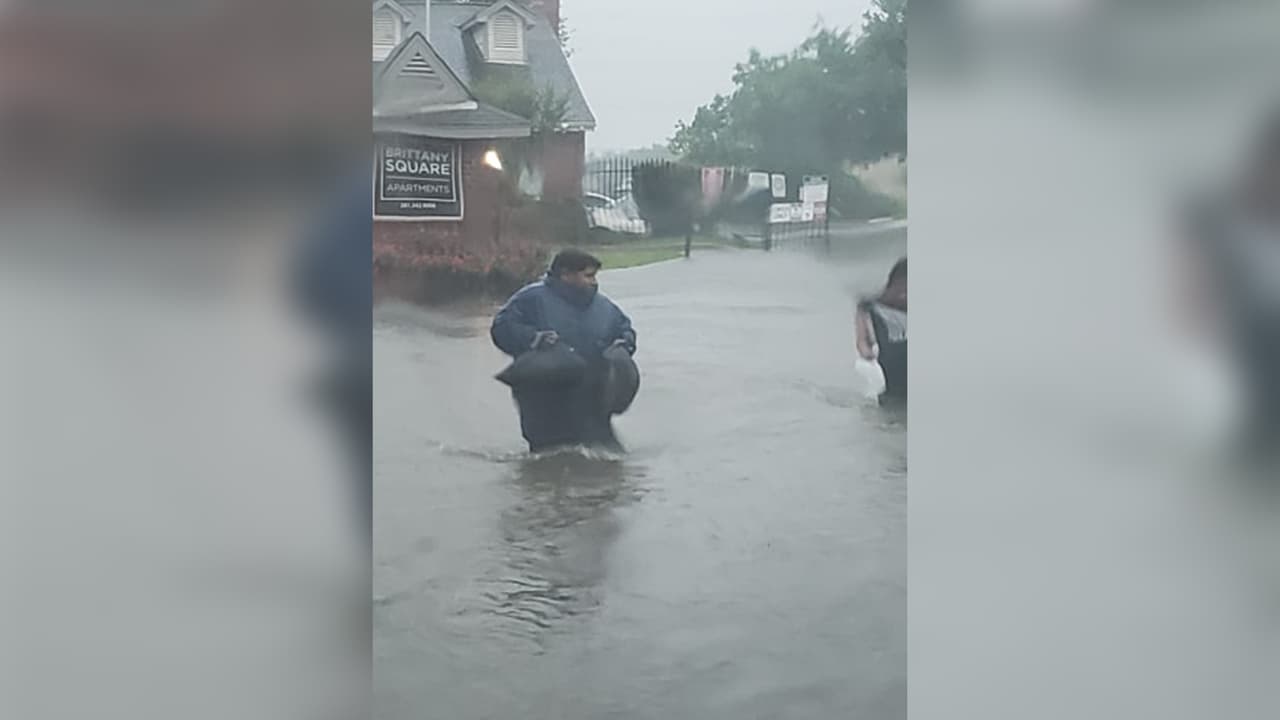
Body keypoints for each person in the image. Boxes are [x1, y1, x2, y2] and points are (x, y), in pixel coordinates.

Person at [491, 249, 638, 453]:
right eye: (588, 276)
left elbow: (624, 330)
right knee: (548, 457)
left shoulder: (605, 308)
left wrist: (623, 344)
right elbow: (502, 328)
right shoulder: (531, 299)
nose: (594, 282)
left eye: (594, 276)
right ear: (566, 274)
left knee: (605, 458)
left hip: (592, 396)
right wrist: (534, 338)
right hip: (543, 395)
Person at [856, 257, 908, 403]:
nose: (905, 293)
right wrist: (867, 354)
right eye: (903, 286)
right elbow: (861, 341)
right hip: (890, 369)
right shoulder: (870, 306)